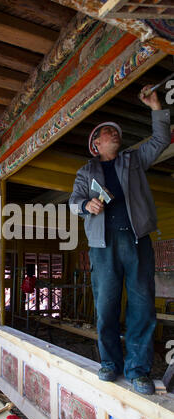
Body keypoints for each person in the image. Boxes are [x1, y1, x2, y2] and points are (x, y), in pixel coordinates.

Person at [69, 85, 171, 395]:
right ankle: (110, 364)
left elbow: (160, 140)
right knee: (106, 306)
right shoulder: (86, 172)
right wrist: (87, 205)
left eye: (117, 132)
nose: (116, 134)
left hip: (138, 240)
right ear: (96, 144)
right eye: (109, 132)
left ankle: (138, 370)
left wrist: (156, 109)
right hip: (103, 245)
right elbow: (73, 201)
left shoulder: (134, 160)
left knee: (141, 306)